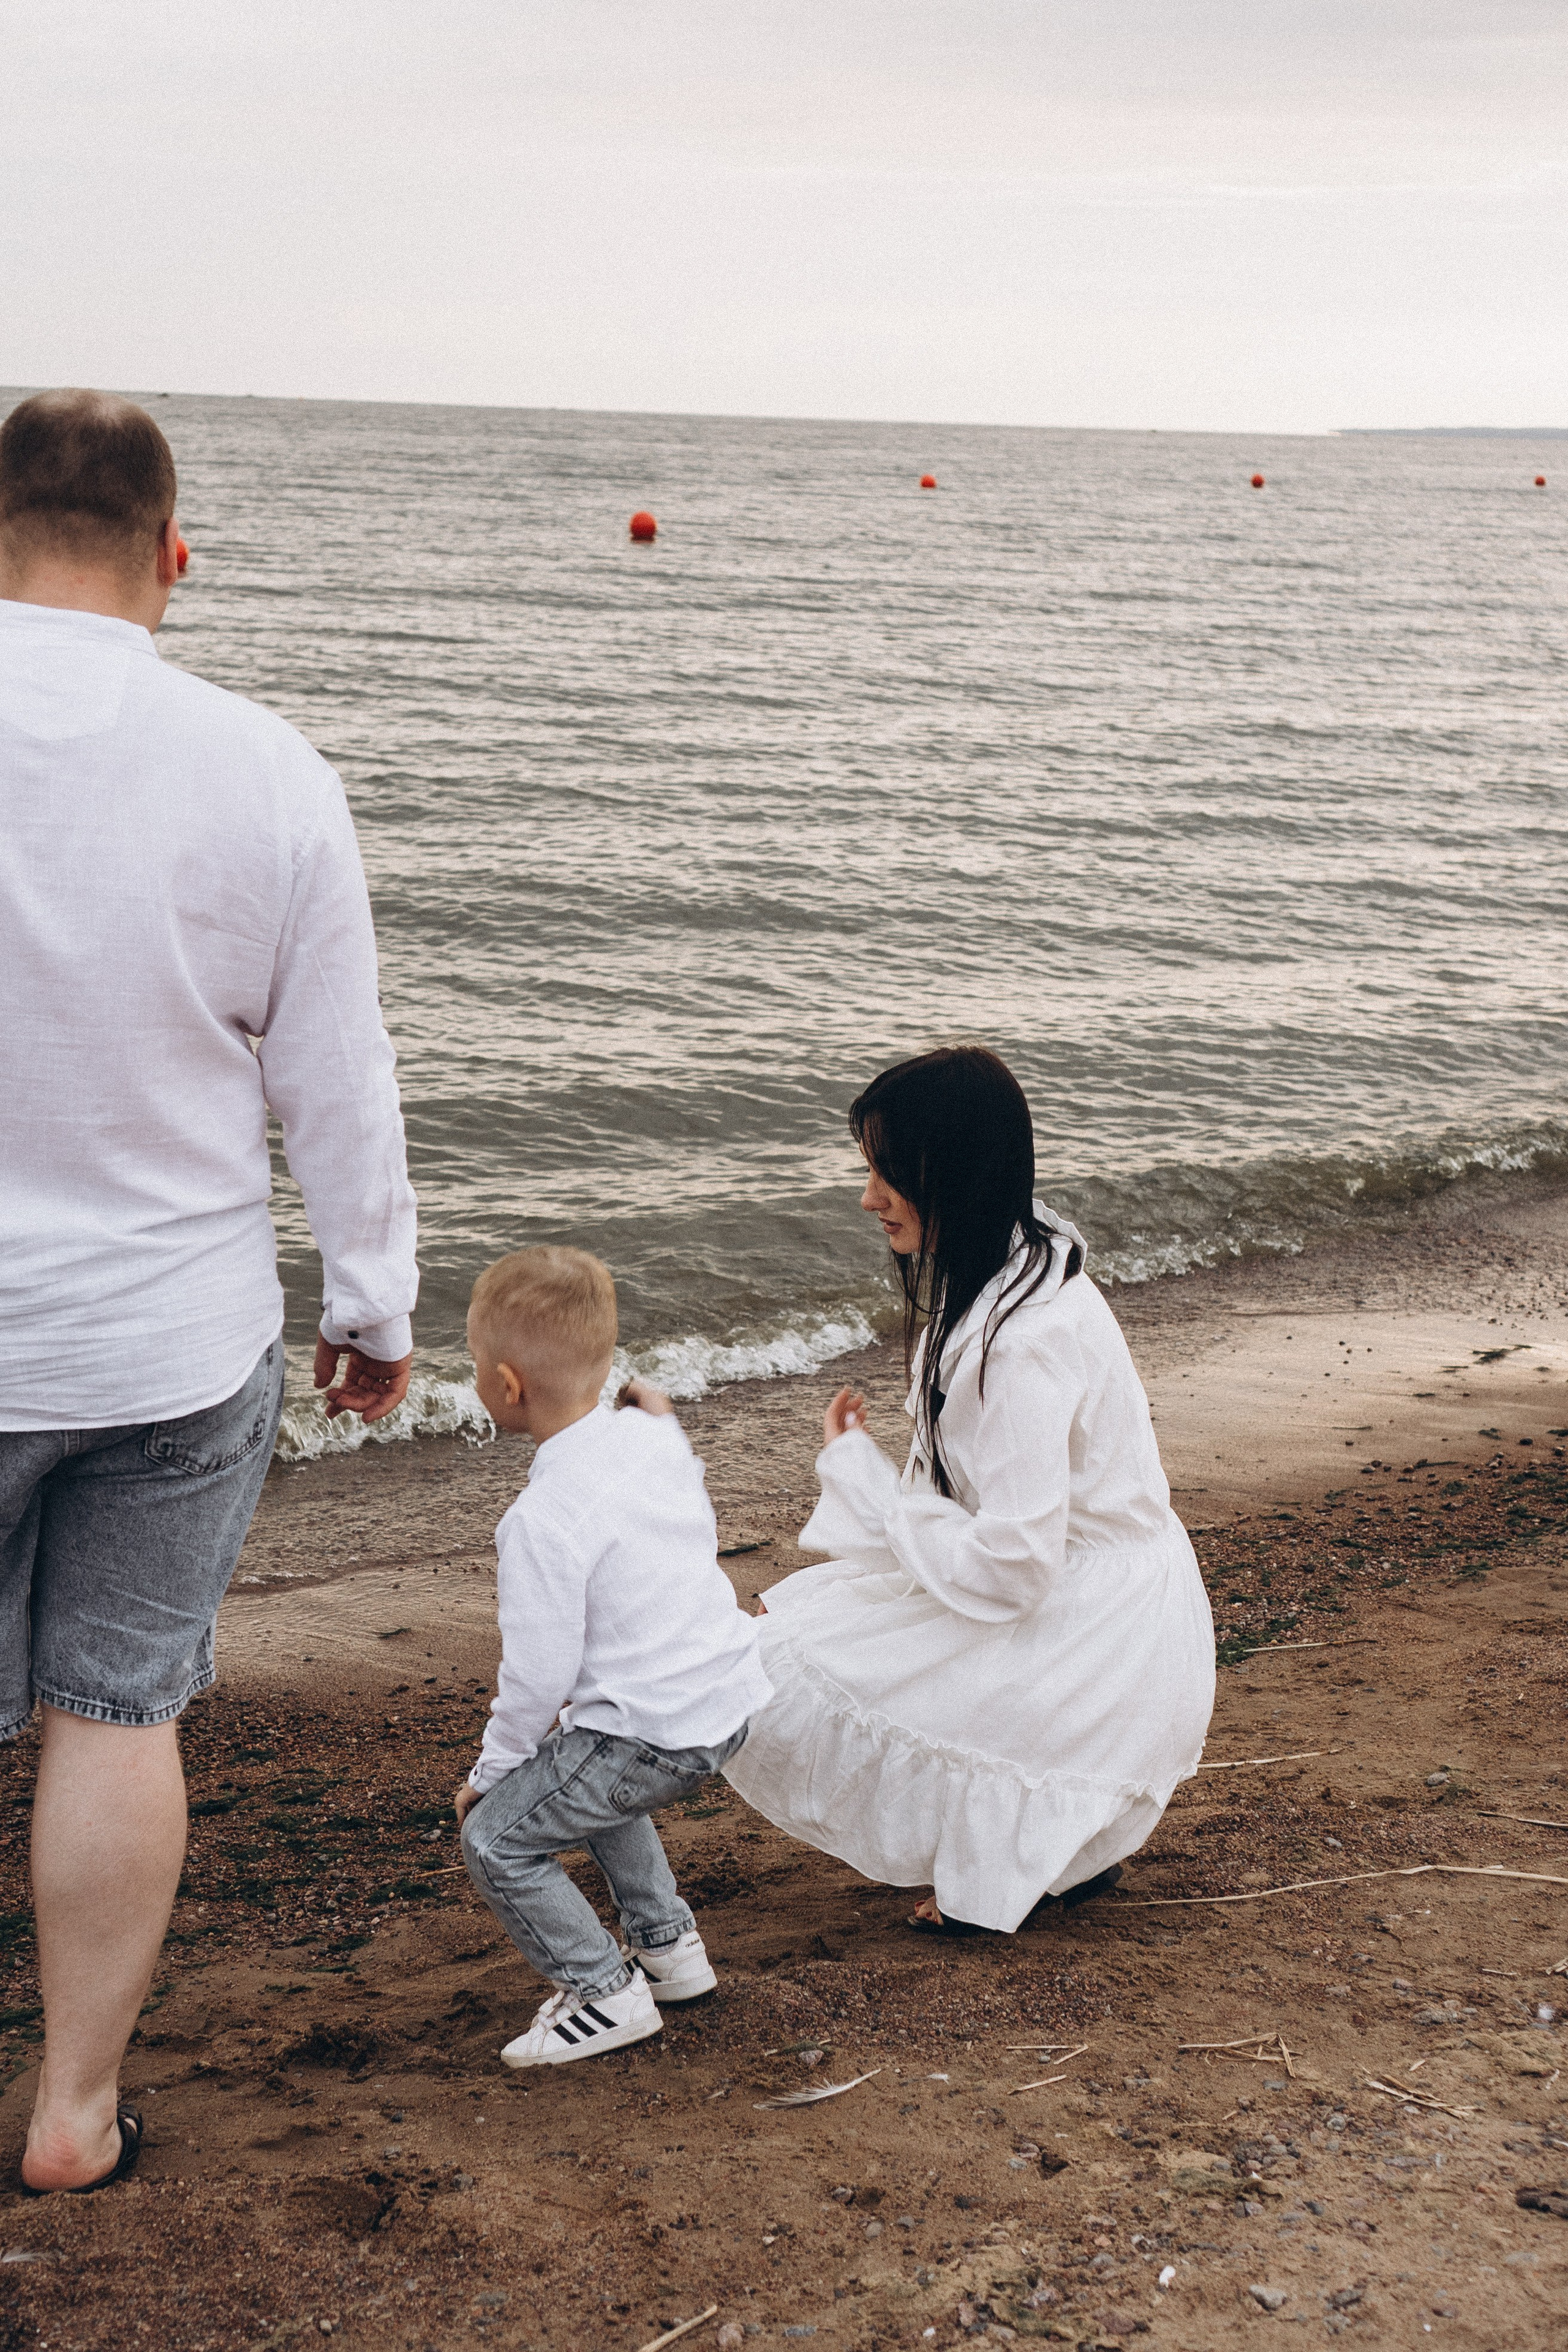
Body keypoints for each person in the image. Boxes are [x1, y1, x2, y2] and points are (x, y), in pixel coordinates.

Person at [0, 390, 419, 2191]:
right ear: (176, 555)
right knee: (116, 1710)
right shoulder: (265, 771)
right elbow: (339, 1074)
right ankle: (76, 2113)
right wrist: (378, 1306)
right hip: (166, 1343)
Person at [725, 1045, 1215, 1935]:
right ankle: (1067, 1856)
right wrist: (876, 1490)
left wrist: (875, 1495)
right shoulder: (1024, 1259)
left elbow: (1018, 1565)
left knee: (784, 1663)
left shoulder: (1020, 1339)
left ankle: (1046, 1857)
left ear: (951, 1174)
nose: (868, 1199)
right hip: (1120, 1596)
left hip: (1102, 1632)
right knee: (798, 1631)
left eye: (888, 1175)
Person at [456, 1245, 771, 2066]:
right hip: (724, 1704)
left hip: (652, 1734)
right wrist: (656, 1412)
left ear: (508, 1387)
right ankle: (669, 1952)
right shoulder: (650, 1440)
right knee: (586, 1766)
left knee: (497, 1839)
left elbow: (538, 1675)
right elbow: (676, 1453)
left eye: (475, 1367)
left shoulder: (542, 1518)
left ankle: (604, 1993)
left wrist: (490, 1777)